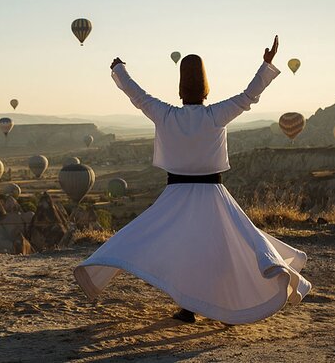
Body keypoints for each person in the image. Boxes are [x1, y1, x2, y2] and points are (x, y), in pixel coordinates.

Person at [73, 36, 312, 325]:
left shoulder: (166, 115)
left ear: (180, 87)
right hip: (212, 194)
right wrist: (266, 65)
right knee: (225, 251)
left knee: (179, 251)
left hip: (176, 195)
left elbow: (138, 96)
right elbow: (249, 96)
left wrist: (120, 70)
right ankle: (228, 308)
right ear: (206, 87)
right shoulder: (215, 115)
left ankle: (190, 308)